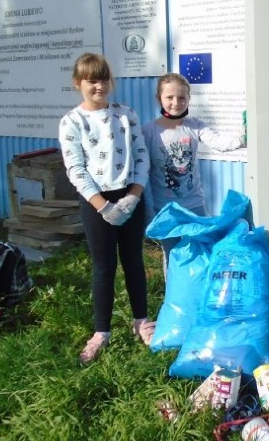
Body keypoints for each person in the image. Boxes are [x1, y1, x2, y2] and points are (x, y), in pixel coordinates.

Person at [58, 53, 153, 364]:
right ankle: (102, 331)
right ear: (78, 84)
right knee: (103, 267)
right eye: (91, 80)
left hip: (129, 197)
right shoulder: (73, 121)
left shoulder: (126, 114)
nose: (98, 85)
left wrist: (134, 195)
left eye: (103, 78)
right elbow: (75, 169)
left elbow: (141, 156)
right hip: (96, 202)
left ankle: (141, 320)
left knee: (133, 261)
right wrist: (103, 206)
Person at [142, 73, 244, 275]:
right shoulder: (149, 131)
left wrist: (243, 138)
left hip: (195, 205)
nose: (176, 102)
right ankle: (173, 295)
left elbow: (219, 143)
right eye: (169, 97)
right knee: (172, 254)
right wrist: (149, 209)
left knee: (200, 249)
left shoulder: (195, 126)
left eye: (181, 98)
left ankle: (198, 290)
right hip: (167, 209)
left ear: (189, 99)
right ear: (159, 99)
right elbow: (143, 173)